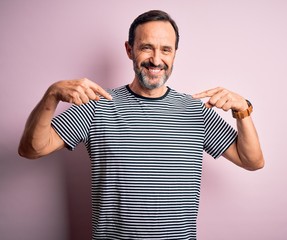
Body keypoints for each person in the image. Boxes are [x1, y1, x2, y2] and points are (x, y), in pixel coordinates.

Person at [18, 9, 264, 240]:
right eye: (147, 47)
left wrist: (243, 110)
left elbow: (252, 160)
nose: (156, 60)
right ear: (129, 50)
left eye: (166, 50)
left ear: (175, 54)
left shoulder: (195, 111)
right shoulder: (96, 106)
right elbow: (31, 149)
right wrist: (51, 96)